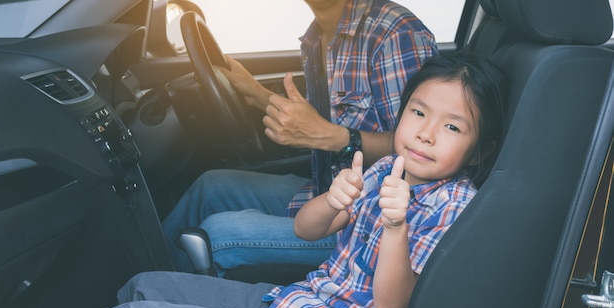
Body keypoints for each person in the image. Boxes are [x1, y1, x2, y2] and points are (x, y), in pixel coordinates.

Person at [47, 54, 507, 308]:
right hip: (302, 306)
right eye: (418, 112)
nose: (425, 134)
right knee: (144, 286)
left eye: (451, 126)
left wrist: (395, 226)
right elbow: (307, 231)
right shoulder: (389, 167)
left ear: (479, 149)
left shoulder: (453, 205)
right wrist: (333, 199)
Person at [162, 0, 438, 275]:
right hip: (326, 193)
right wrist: (257, 95)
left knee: (216, 236)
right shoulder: (315, 37)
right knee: (211, 186)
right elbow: (320, 119)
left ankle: (160, 307)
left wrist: (331, 137)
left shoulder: (395, 34)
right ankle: (147, 273)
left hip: (370, 222)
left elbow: (418, 151)